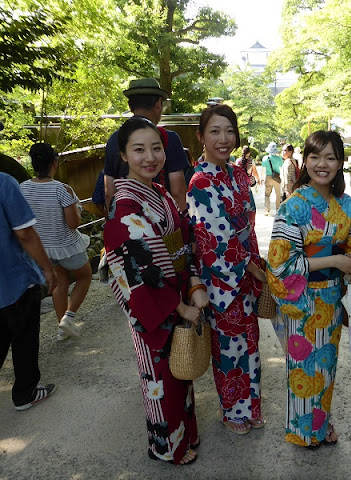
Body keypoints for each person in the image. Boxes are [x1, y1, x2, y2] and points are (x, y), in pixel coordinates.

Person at [104, 117, 208, 465]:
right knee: (160, 380)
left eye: (156, 148)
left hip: (178, 295)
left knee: (180, 371)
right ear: (123, 155)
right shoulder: (125, 207)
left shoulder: (159, 192)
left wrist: (193, 284)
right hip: (158, 308)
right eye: (139, 150)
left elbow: (183, 242)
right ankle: (168, 447)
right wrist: (179, 307)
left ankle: (186, 434)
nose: (150, 157)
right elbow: (136, 270)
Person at [266, 130, 351, 448]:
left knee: (325, 366)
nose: (322, 164)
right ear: (304, 161)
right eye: (315, 156)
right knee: (302, 367)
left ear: (340, 163)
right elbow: (280, 264)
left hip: (332, 300)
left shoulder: (349, 208)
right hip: (302, 299)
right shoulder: (293, 207)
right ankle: (302, 431)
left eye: (330, 157)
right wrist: (336, 259)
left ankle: (321, 426)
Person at [187, 104, 266, 435]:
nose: (223, 138)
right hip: (222, 279)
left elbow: (249, 225)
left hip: (245, 274)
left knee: (251, 344)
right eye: (215, 131)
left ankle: (252, 406)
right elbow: (215, 238)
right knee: (230, 349)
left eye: (229, 131)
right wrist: (254, 268)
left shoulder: (238, 175)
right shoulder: (200, 182)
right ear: (201, 136)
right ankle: (233, 411)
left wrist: (257, 262)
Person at [0, 115, 57, 410]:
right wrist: (47, 269)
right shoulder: (0, 182)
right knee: (24, 334)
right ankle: (25, 392)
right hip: (13, 277)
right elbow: (25, 233)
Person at [21, 143, 92, 341]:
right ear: (55, 162)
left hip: (43, 249)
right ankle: (68, 318)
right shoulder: (62, 189)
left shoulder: (23, 188)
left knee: (60, 283)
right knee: (85, 276)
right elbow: (73, 223)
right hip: (66, 245)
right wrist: (77, 209)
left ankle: (62, 328)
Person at [104, 77, 190, 213]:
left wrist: (114, 217)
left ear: (130, 105)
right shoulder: (169, 138)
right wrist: (183, 225)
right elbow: (178, 191)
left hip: (128, 218)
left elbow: (109, 191)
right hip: (163, 220)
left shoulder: (114, 139)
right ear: (158, 104)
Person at [261, 141, 283, 215]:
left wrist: (262, 178)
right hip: (277, 177)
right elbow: (281, 168)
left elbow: (263, 169)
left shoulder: (265, 158)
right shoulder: (279, 158)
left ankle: (267, 209)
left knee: (267, 194)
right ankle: (277, 209)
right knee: (278, 194)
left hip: (268, 177)